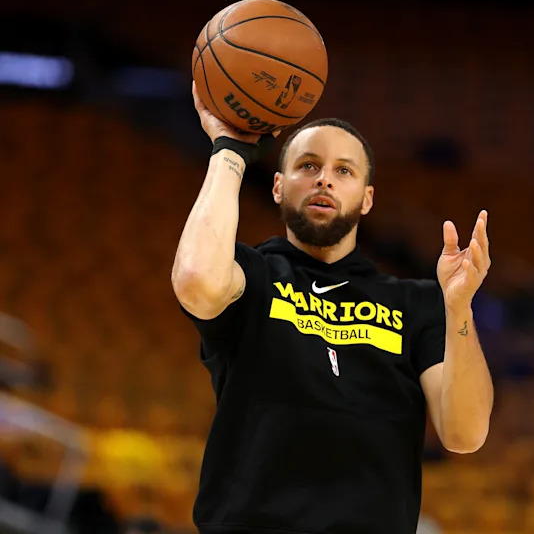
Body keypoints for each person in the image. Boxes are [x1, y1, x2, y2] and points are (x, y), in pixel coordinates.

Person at [171, 84, 495, 534]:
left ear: (367, 199)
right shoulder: (253, 276)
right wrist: (230, 152)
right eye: (309, 166)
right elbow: (194, 282)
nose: (324, 178)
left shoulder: (417, 303)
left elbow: (465, 434)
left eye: (344, 171)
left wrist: (459, 310)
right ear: (278, 188)